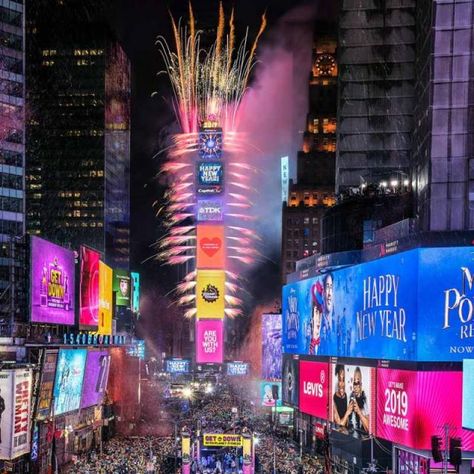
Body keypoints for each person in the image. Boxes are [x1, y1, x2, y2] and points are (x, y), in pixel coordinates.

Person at [349, 366, 370, 434]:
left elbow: (368, 428)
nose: (355, 386)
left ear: (361, 384)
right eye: (354, 383)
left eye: (357, 383)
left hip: (364, 437)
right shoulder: (351, 397)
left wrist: (359, 412)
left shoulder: (365, 400)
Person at [307, 281, 323, 355]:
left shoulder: (324, 343)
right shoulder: (306, 343)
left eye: (320, 313)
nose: (319, 318)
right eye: (316, 312)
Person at [332, 365, 350, 429]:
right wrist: (348, 412)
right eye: (340, 380)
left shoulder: (346, 395)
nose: (342, 384)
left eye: (343, 380)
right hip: (338, 433)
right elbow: (339, 423)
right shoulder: (333, 398)